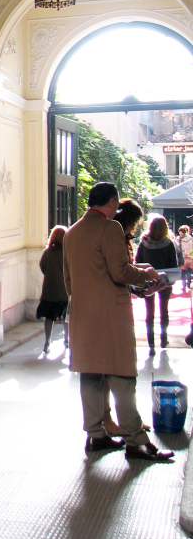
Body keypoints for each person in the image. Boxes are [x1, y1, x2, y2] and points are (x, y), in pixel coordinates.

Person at [63, 182, 174, 462]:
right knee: (122, 377)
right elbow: (120, 271)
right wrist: (146, 273)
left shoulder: (72, 232)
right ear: (112, 203)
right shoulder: (110, 228)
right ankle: (135, 441)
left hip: (82, 315)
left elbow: (68, 280)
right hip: (111, 316)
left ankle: (96, 435)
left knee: (89, 376)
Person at [102, 198, 149, 437]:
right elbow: (119, 271)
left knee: (116, 372)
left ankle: (127, 424)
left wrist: (140, 281)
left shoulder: (118, 235)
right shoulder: (114, 234)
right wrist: (143, 275)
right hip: (112, 311)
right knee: (120, 372)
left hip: (116, 305)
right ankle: (127, 428)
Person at [135, 216, 177, 354]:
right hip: (164, 281)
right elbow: (173, 265)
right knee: (164, 311)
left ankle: (151, 344)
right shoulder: (169, 244)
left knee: (149, 313)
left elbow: (137, 262)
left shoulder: (143, 243)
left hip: (148, 282)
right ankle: (163, 339)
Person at [36, 225, 69, 353]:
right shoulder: (66, 253)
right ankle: (67, 340)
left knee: (48, 317)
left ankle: (47, 341)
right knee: (66, 317)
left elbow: (42, 266)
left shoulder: (47, 253)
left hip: (49, 291)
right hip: (64, 291)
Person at [177, 225, 193, 292]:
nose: (179, 233)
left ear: (183, 232)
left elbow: (177, 248)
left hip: (182, 257)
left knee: (183, 272)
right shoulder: (190, 239)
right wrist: (191, 255)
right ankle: (188, 284)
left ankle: (184, 285)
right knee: (189, 270)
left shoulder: (179, 239)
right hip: (189, 257)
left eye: (180, 232)